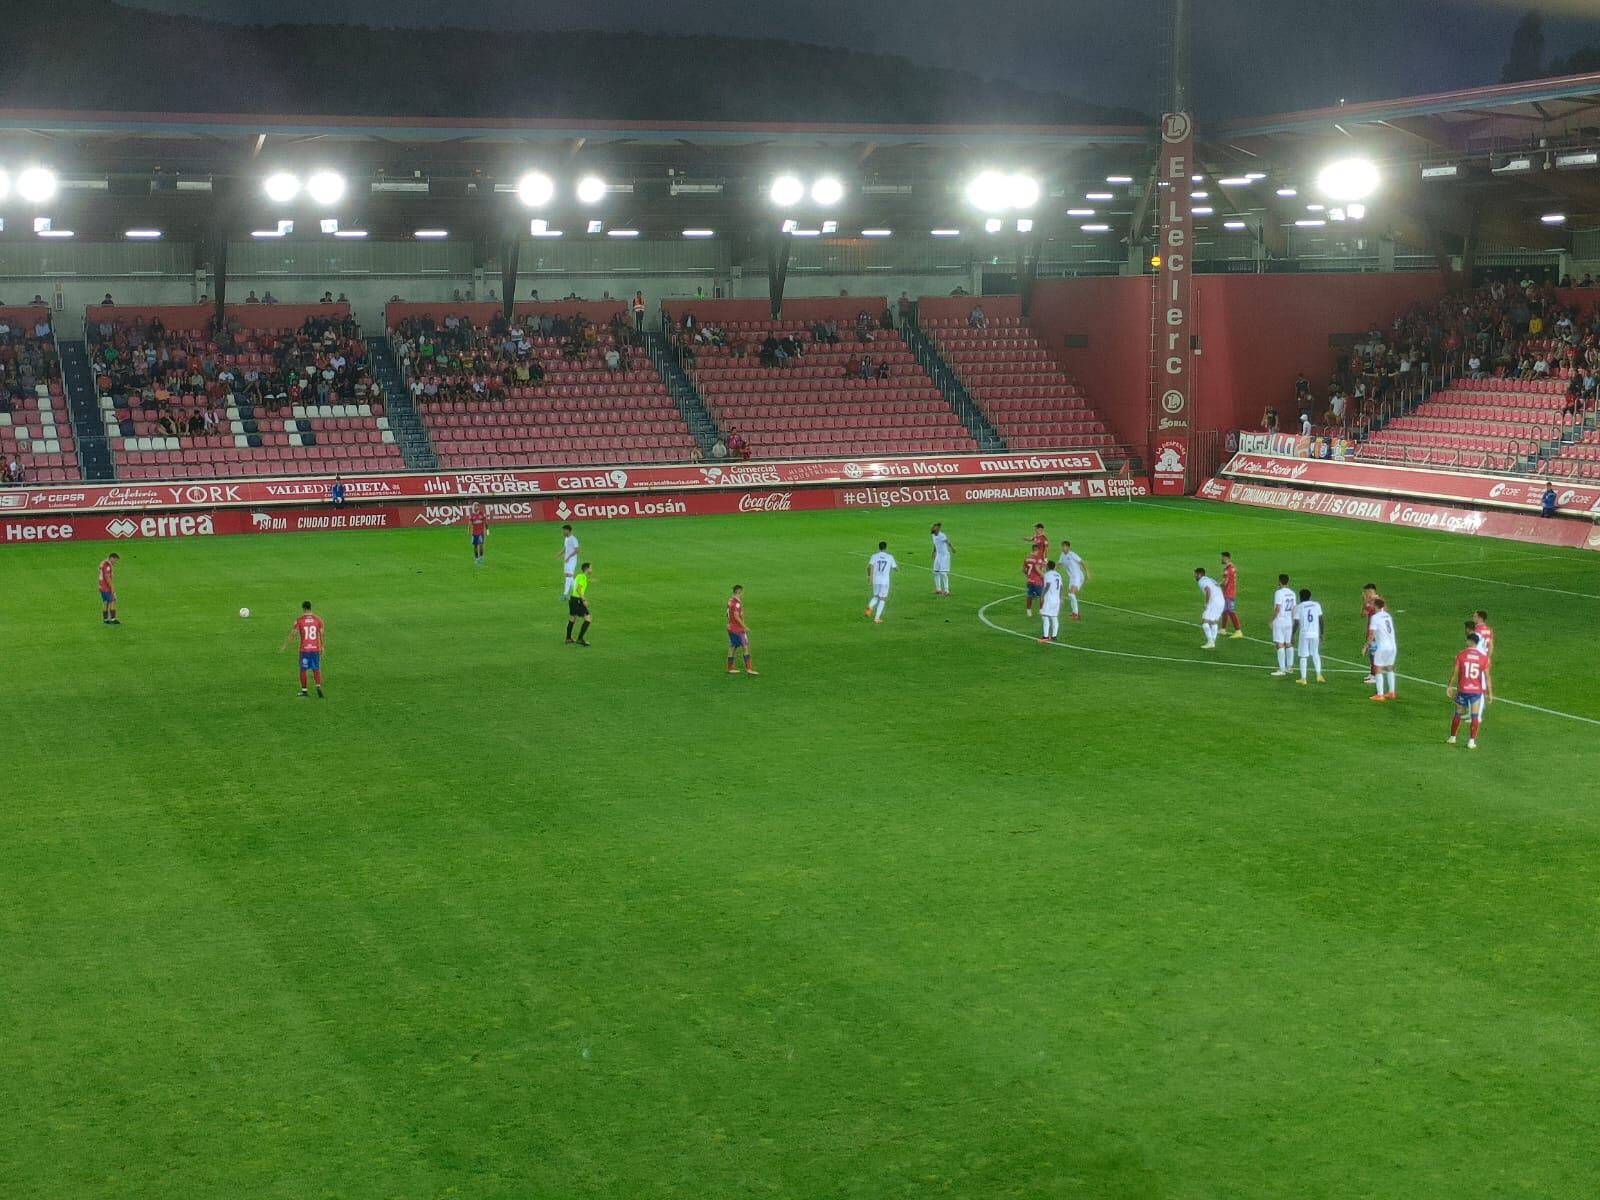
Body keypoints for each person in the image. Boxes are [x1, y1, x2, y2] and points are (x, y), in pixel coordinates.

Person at [1447, 629, 1493, 749]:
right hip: (1476, 691)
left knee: (1457, 713)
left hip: (1463, 690)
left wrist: (1450, 686)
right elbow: (1487, 677)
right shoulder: (1483, 658)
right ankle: (1471, 741)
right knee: (1475, 716)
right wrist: (1489, 693)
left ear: (1469, 641)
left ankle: (1452, 737)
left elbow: (1455, 673)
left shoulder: (1461, 655)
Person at [280, 600, 325, 698]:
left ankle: (304, 691)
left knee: (303, 669)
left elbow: (293, 634)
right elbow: (321, 633)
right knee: (316, 668)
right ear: (310, 608)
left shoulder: (300, 620)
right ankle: (318, 686)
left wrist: (285, 645)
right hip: (315, 649)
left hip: (305, 650)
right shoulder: (318, 620)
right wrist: (322, 646)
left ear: (303, 608)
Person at [1366, 597, 1398, 702]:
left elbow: (1372, 634)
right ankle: (1392, 692)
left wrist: (1366, 646)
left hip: (1383, 647)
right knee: (1390, 668)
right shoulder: (1388, 615)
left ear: (1375, 606)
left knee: (1378, 669)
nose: (1370, 605)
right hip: (1392, 646)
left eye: (1372, 603)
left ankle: (1380, 695)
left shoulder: (1375, 618)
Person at [1294, 587, 1325, 684]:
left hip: (1304, 634)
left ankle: (1303, 679)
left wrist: (1292, 635)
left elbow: (1296, 623)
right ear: (1309, 596)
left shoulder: (1299, 607)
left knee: (1303, 656)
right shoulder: (1316, 605)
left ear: (1300, 597)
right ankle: (1319, 675)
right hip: (1315, 633)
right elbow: (1321, 620)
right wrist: (1322, 633)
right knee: (1315, 653)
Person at [726, 585, 757, 675]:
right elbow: (736, 616)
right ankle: (749, 669)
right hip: (738, 629)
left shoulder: (730, 601)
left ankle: (730, 668)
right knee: (745, 646)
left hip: (730, 628)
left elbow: (728, 614)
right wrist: (744, 627)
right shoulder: (737, 603)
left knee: (733, 646)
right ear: (739, 592)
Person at [1270, 573, 1297, 677]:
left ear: (1280, 581)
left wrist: (1272, 620)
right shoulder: (1292, 593)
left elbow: (1278, 608)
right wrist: (1293, 620)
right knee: (1288, 643)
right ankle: (1290, 667)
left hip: (1280, 621)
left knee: (1279, 644)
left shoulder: (1279, 593)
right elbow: (1294, 608)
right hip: (1289, 621)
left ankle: (1282, 669)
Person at [865, 541, 897, 624]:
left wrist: (869, 577)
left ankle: (870, 606)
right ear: (886, 548)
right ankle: (877, 618)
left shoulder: (874, 556)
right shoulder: (890, 557)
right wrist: (896, 569)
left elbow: (869, 567)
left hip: (876, 580)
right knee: (882, 599)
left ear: (879, 548)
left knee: (876, 596)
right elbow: (895, 568)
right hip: (884, 581)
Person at [1194, 567, 1224, 649]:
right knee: (1213, 621)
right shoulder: (1210, 579)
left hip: (1214, 601)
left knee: (1204, 621)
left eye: (1195, 574)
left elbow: (1208, 590)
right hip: (1221, 601)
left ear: (1199, 574)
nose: (1194, 576)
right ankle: (1212, 641)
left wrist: (1207, 603)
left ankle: (1210, 642)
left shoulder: (1201, 581)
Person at [1059, 540, 1087, 621]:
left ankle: (1076, 614)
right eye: (1062, 546)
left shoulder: (1072, 555)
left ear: (1068, 547)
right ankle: (1075, 612)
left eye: (1064, 546)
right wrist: (1051, 569)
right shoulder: (1062, 555)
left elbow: (1082, 562)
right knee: (1071, 595)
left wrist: (1087, 573)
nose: (1062, 548)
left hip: (1078, 577)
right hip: (1072, 577)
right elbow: (1060, 563)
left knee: (1071, 594)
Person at [566, 563, 592, 645]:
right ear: (587, 569)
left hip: (572, 599)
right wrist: (584, 600)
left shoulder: (579, 576)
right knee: (588, 618)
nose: (591, 570)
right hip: (578, 600)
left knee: (572, 618)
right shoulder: (583, 577)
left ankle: (568, 638)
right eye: (591, 568)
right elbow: (578, 589)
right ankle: (580, 639)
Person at [1038, 559, 1064, 644]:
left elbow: (1048, 585)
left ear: (1048, 567)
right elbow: (1061, 587)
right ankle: (1054, 636)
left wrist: (1042, 595)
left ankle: (1045, 637)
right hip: (1056, 599)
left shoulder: (1048, 575)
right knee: (1054, 617)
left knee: (1045, 616)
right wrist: (1061, 598)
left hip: (1049, 599)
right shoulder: (1058, 575)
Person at [1360, 583, 1381, 683]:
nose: (1365, 594)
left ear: (1371, 591)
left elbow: (1363, 614)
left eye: (1366, 592)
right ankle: (1372, 673)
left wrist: (1365, 602)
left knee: (1373, 653)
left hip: (1375, 631)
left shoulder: (1374, 602)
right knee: (1372, 653)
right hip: (1372, 628)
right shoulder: (1375, 601)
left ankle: (1375, 676)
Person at [1219, 551, 1243, 638]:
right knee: (1225, 610)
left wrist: (1217, 585)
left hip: (1228, 593)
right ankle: (1223, 629)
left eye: (1222, 557)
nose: (1221, 559)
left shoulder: (1227, 570)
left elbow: (1225, 583)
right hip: (1230, 592)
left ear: (1226, 558)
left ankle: (1238, 631)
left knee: (1231, 611)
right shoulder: (1232, 567)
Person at [930, 522, 952, 596]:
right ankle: (938, 589)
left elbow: (947, 542)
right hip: (938, 556)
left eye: (934, 527)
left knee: (943, 573)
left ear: (938, 528)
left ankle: (946, 590)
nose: (932, 528)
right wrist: (933, 552)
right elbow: (935, 544)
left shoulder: (942, 535)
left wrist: (952, 548)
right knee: (935, 572)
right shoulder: (933, 535)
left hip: (944, 556)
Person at [98, 552, 120, 625]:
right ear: (112, 558)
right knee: (112, 601)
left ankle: (105, 619)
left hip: (101, 586)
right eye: (115, 560)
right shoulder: (107, 566)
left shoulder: (102, 563)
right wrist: (112, 588)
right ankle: (113, 620)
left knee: (105, 602)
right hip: (106, 587)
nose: (115, 562)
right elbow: (107, 577)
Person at [558, 524, 579, 599]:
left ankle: (565, 594)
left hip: (572, 560)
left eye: (564, 530)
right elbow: (565, 548)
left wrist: (569, 557)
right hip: (567, 560)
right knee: (569, 576)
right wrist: (559, 554)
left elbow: (577, 550)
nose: (563, 532)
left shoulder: (573, 539)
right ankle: (577, 592)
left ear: (568, 530)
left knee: (568, 576)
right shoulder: (566, 538)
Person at [1022, 551, 1046, 617]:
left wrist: (1028, 576)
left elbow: (1023, 570)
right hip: (1037, 581)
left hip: (1029, 580)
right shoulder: (1038, 558)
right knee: (1042, 596)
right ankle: (1041, 611)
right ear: (1036, 550)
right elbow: (1038, 568)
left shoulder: (1027, 559)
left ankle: (1028, 611)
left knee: (1029, 595)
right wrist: (1044, 576)